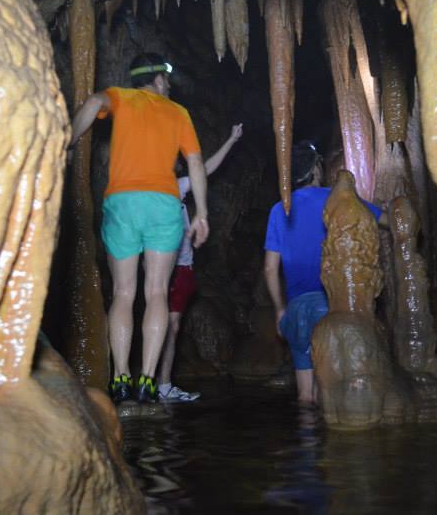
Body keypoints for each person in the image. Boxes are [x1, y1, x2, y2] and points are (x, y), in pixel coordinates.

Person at [69, 53, 209, 405]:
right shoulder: (178, 112)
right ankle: (148, 379)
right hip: (162, 205)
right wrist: (202, 212)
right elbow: (194, 162)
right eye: (166, 79)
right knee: (158, 292)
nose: (168, 85)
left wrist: (67, 139)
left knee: (123, 293)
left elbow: (93, 102)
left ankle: (120, 377)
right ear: (159, 80)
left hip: (123, 202)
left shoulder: (119, 96)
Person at [263, 142, 385, 406]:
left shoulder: (278, 210)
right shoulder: (337, 200)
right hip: (328, 304)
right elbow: (385, 220)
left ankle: (306, 444)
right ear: (315, 169)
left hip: (296, 309)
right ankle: (329, 446)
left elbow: (270, 268)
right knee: (331, 395)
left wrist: (279, 310)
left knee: (306, 396)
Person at [157, 123, 243, 402]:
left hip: (181, 269)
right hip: (167, 269)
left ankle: (161, 383)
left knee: (171, 326)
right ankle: (158, 384)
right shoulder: (159, 191)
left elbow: (204, 170)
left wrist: (230, 140)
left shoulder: (176, 188)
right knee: (167, 325)